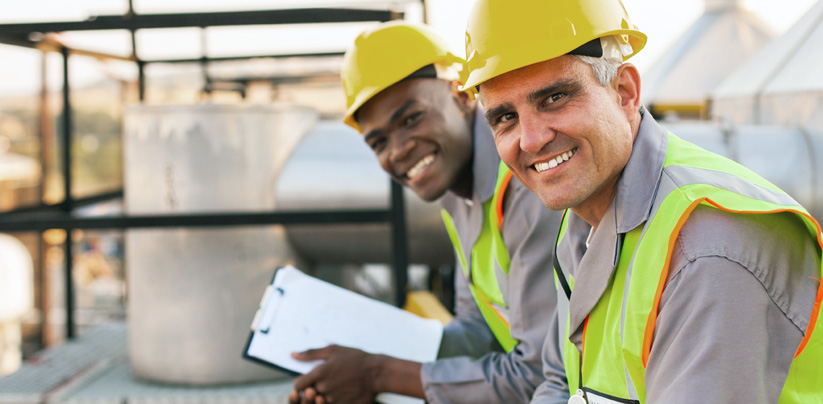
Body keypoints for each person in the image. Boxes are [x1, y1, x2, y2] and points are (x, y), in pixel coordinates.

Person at [460, 0, 823, 403]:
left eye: (554, 98)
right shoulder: (584, 216)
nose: (530, 139)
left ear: (624, 92)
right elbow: (561, 383)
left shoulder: (707, 248)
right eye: (505, 118)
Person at [285, 21, 565, 404]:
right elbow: (477, 330)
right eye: (379, 142)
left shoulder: (525, 186)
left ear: (462, 96)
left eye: (411, 118)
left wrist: (379, 374)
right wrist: (347, 369)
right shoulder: (456, 195)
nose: (397, 151)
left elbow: (539, 376)